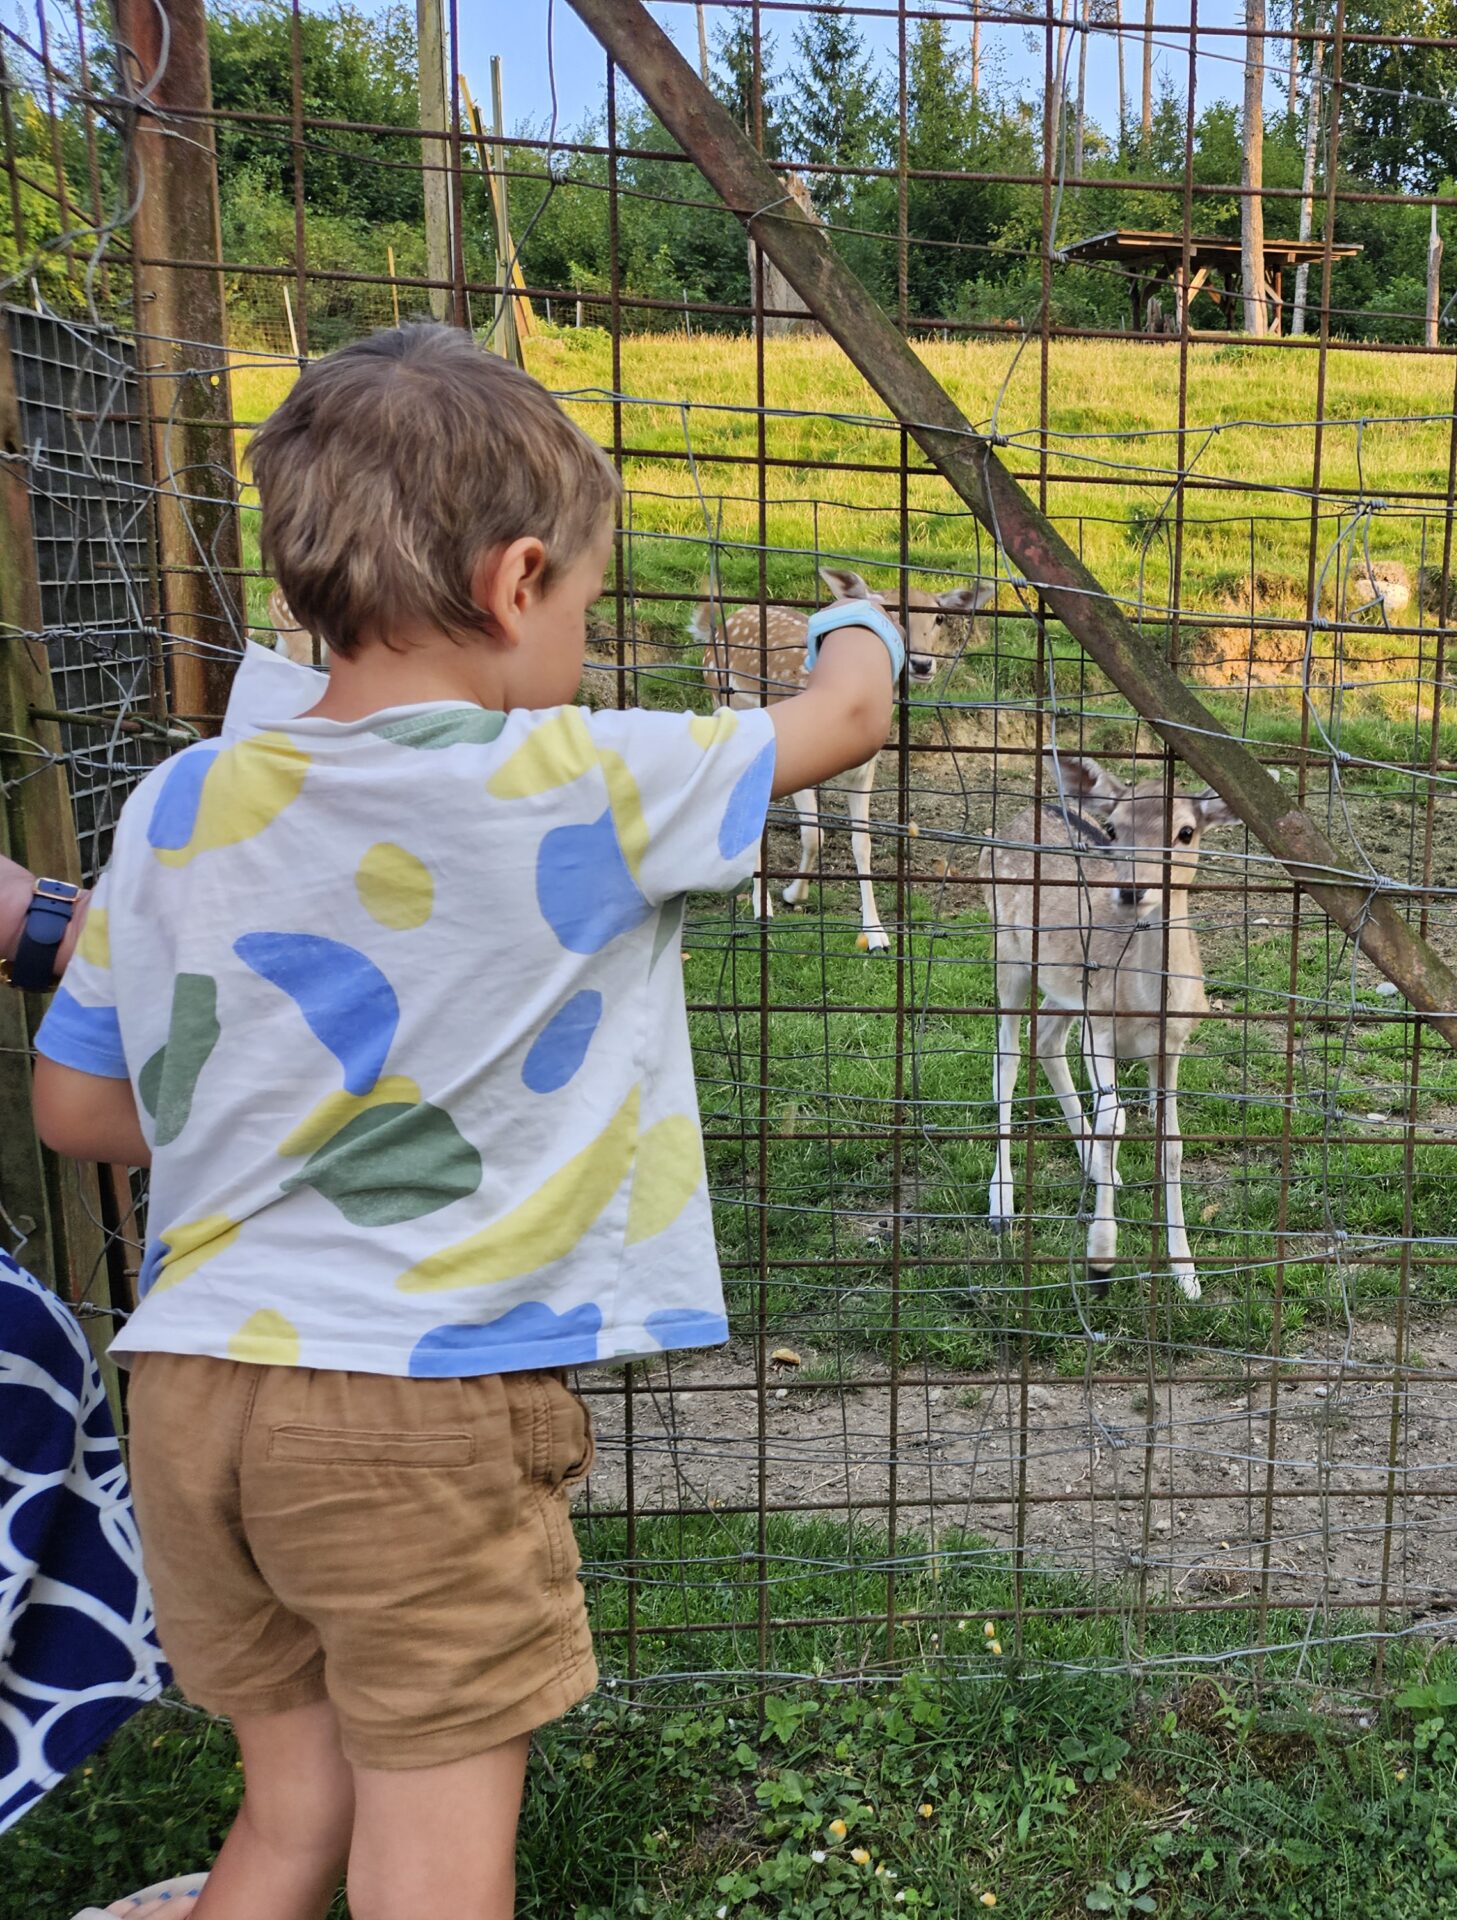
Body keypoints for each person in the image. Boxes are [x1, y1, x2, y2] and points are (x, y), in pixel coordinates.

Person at [27, 323, 901, 1920]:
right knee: (434, 1871)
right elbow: (841, 724)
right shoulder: (578, 775)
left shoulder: (177, 802)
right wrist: (862, 628)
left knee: (293, 1815)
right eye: (582, 601)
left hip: (193, 1392)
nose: (580, 637)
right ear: (513, 586)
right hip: (410, 1417)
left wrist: (265, 1108)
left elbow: (80, 1106)